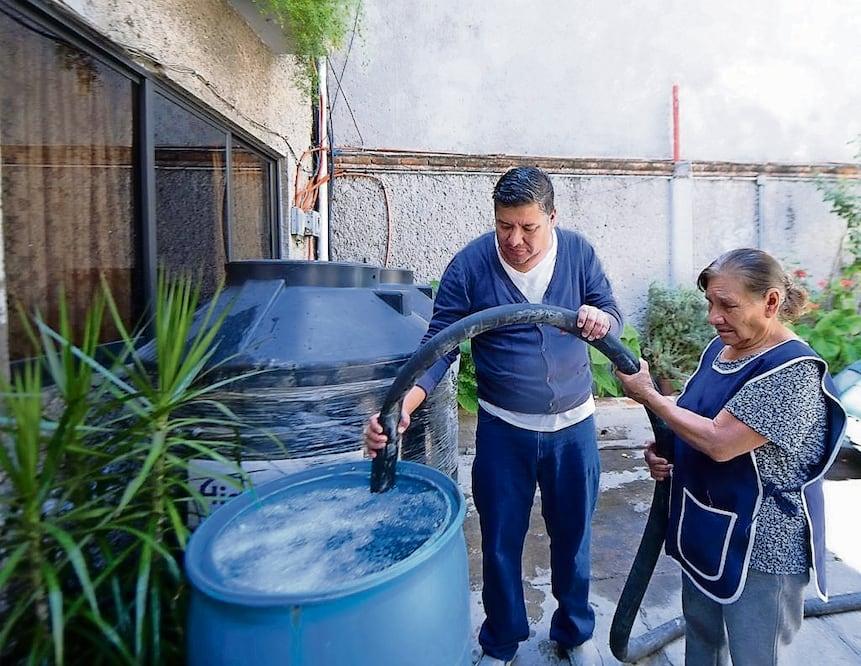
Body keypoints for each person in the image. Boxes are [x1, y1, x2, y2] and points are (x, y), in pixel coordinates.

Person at [364, 165, 618, 666]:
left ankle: (574, 633)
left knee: (574, 538)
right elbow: (438, 347)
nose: (515, 240)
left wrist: (602, 318)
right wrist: (400, 410)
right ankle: (501, 641)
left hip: (573, 428)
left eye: (528, 227)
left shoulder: (579, 254)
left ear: (552, 218)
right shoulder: (471, 266)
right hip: (505, 431)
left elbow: (610, 311)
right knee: (500, 541)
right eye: (505, 225)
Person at [615, 248, 847, 666]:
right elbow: (695, 415)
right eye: (710, 303)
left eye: (727, 305)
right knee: (702, 640)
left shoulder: (793, 373)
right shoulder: (720, 350)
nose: (713, 317)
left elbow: (721, 441)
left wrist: (649, 396)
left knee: (757, 655)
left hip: (763, 545)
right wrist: (668, 447)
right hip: (706, 527)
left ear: (771, 302)